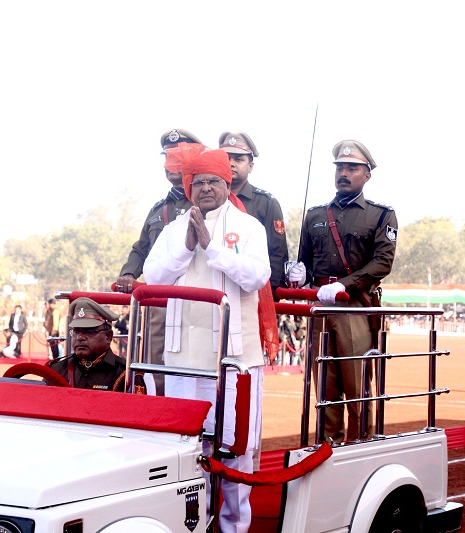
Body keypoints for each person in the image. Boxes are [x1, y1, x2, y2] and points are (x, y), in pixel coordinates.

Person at [144, 148, 271, 533]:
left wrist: (212, 248)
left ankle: (234, 527)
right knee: (188, 447)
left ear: (227, 183)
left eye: (213, 181)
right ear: (189, 187)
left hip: (235, 359)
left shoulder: (249, 228)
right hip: (185, 358)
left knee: (235, 448)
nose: (205, 189)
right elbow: (154, 277)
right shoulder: (172, 230)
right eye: (198, 182)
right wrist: (186, 246)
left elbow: (257, 277)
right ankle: (192, 526)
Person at [287, 139, 398, 443]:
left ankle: (362, 442)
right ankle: (328, 445)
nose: (344, 173)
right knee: (324, 384)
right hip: (320, 309)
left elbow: (382, 263)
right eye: (340, 168)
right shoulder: (315, 215)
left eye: (352, 168)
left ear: (367, 174)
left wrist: (344, 285)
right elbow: (306, 263)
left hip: (355, 307)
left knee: (357, 383)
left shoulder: (380, 215)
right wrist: (299, 275)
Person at [115, 129, 204, 395]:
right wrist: (129, 273)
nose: (169, 164)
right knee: (155, 363)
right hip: (158, 301)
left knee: (191, 367)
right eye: (166, 157)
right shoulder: (158, 209)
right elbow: (141, 248)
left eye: (177, 157)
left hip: (192, 299)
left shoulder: (205, 201)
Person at [218, 131, 288, 299]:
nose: (231, 164)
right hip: (215, 288)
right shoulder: (209, 199)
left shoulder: (266, 203)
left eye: (239, 159)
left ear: (251, 166)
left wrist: (268, 296)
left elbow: (277, 254)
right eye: (226, 158)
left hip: (253, 293)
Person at [46, 297, 126, 391]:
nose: (80, 337)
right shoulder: (58, 369)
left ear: (108, 336)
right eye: (76, 331)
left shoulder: (123, 375)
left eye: (89, 331)